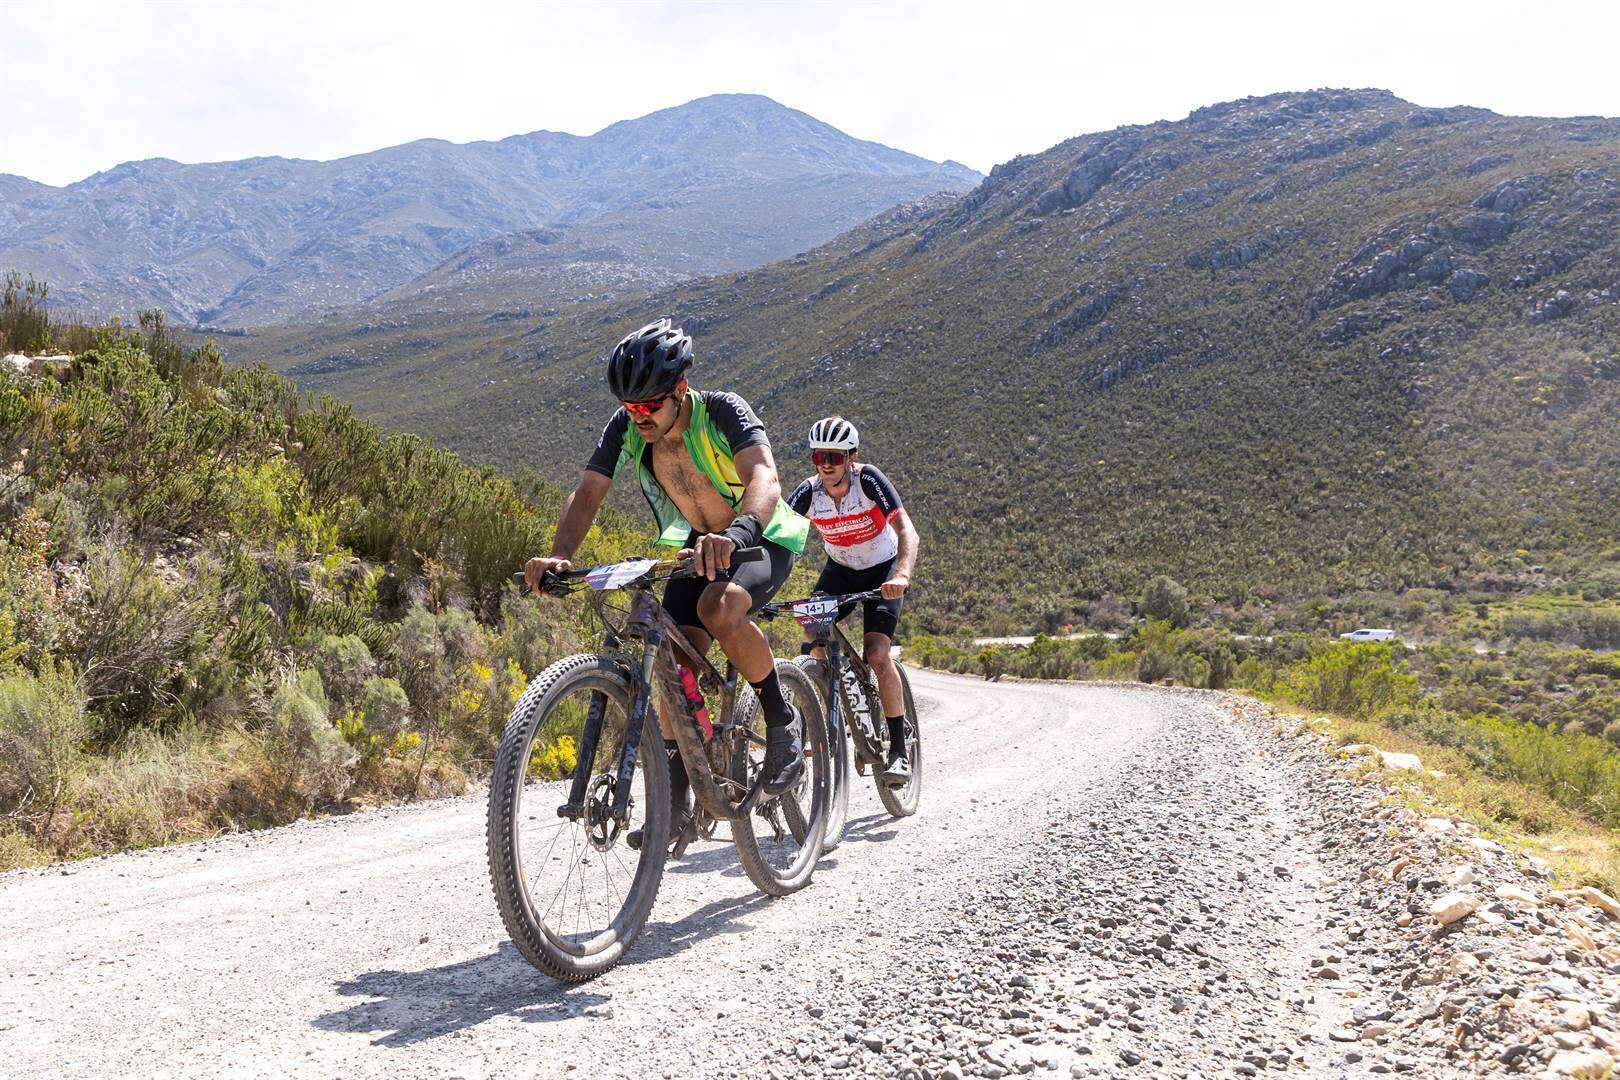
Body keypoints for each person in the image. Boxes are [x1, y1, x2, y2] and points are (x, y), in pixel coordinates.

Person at [523, 318, 810, 844]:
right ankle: (678, 800)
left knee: (719, 609)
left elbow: (764, 476)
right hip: (695, 544)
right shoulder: (627, 426)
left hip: (759, 536)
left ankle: (780, 717)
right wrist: (560, 556)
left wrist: (739, 531)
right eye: (630, 407)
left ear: (680, 389)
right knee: (672, 664)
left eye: (648, 406)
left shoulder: (722, 409)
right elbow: (588, 493)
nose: (639, 417)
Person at [788, 416, 920, 782]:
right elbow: (778, 538)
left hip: (883, 572)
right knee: (812, 636)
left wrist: (902, 575)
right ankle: (832, 706)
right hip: (841, 571)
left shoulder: (869, 480)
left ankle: (897, 749)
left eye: (834, 455)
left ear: (851, 456)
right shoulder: (808, 492)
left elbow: (907, 530)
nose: (826, 464)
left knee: (877, 655)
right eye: (819, 457)